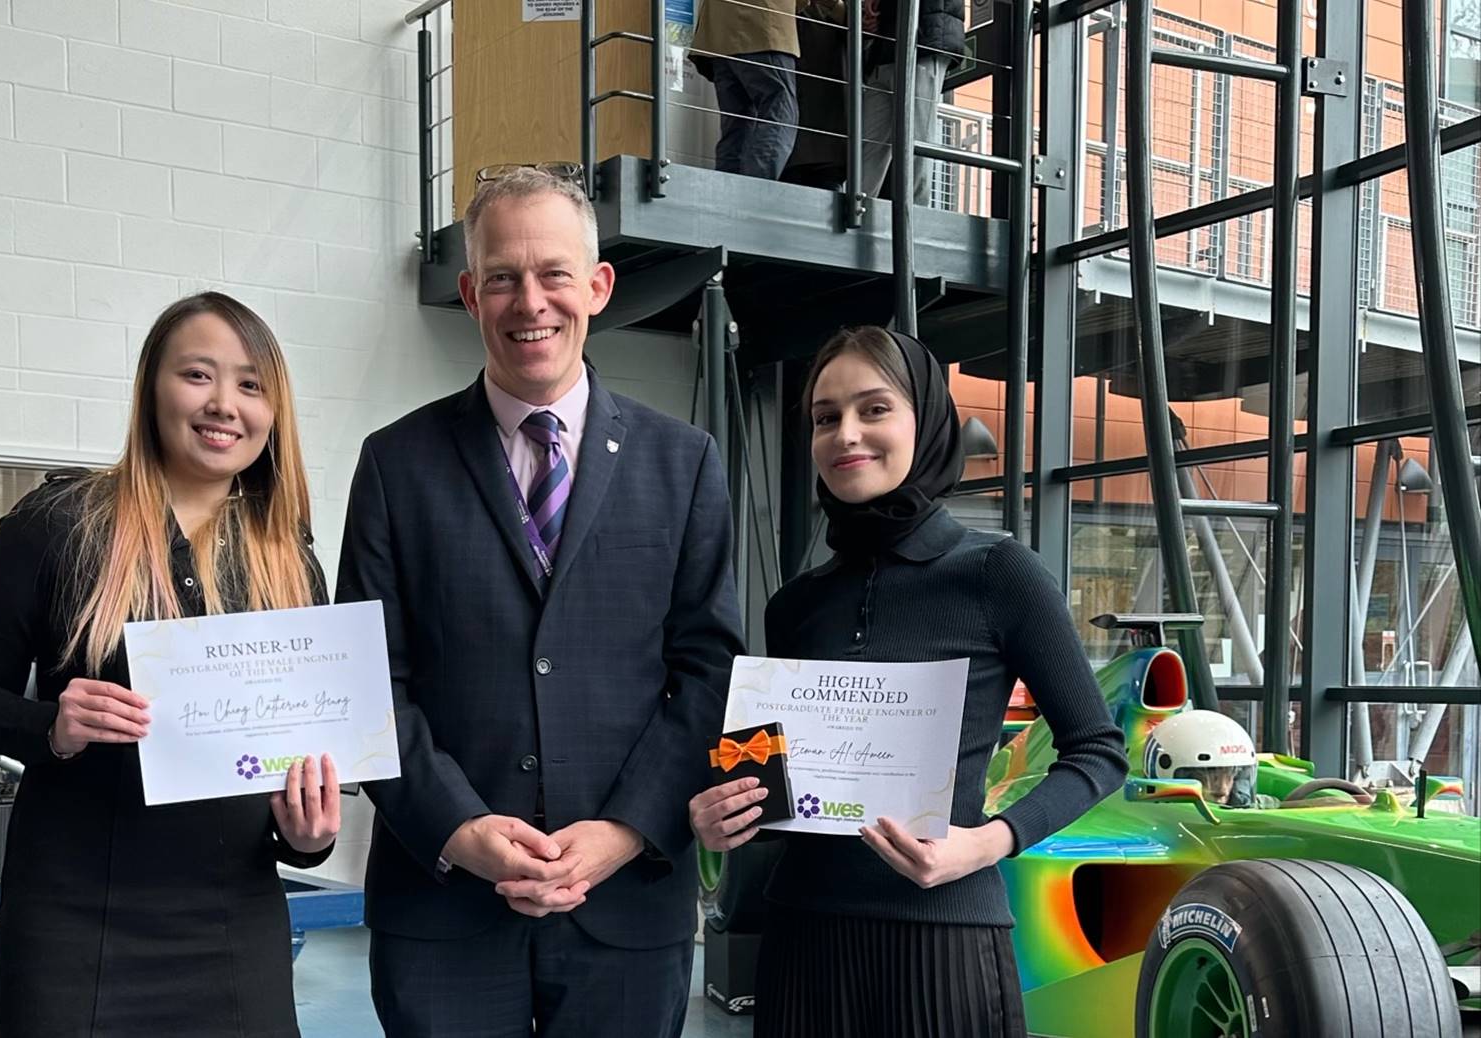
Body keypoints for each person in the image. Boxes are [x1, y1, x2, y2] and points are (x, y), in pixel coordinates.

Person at [336, 165, 743, 1037]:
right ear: (469, 293)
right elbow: (369, 683)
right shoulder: (395, 464)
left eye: (553, 273)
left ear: (597, 286)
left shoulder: (686, 462)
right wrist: (459, 829)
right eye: (503, 278)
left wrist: (626, 830)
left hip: (627, 907)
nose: (531, 302)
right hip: (443, 908)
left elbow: (710, 673)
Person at [689, 326, 1128, 1037]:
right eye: (826, 418)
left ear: (924, 422)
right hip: (804, 939)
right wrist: (721, 818)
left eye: (874, 409)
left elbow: (1099, 751)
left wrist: (986, 841)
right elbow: (772, 795)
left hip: (944, 936)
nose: (846, 434)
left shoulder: (998, 574)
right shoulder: (796, 606)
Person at [0, 292, 342, 1037]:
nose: (225, 404)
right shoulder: (56, 526)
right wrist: (52, 726)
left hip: (235, 919)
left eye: (251, 385)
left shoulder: (292, 561)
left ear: (274, 410)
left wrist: (309, 835)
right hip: (73, 921)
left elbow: (293, 761)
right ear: (152, 387)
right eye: (198, 375)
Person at [854, 0, 965, 204]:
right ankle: (855, 212)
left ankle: (913, 219)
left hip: (924, 34)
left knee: (915, 142)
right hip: (892, 39)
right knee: (870, 145)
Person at [693, 0, 801, 179]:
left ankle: (728, 192)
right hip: (764, 25)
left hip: (718, 32)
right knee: (781, 111)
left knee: (737, 124)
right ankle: (756, 190)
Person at [1145, 709, 1264, 807]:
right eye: (1211, 776)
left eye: (1230, 775)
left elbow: (1262, 802)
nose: (1223, 790)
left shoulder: (1240, 799)